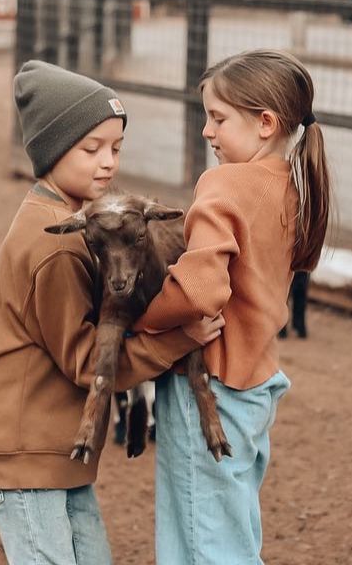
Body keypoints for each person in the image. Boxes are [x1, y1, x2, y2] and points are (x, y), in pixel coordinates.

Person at [0, 60, 223, 564]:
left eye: (116, 148)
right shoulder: (57, 246)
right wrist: (178, 339)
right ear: (53, 149)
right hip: (20, 442)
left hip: (49, 442)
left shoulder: (84, 224)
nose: (108, 163)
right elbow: (83, 360)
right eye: (91, 148)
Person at [134, 49, 332, 565]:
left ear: (266, 122)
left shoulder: (225, 184)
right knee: (231, 530)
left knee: (204, 539)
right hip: (257, 383)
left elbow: (200, 292)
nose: (207, 131)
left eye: (218, 118)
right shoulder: (296, 185)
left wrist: (143, 320)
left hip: (211, 391)